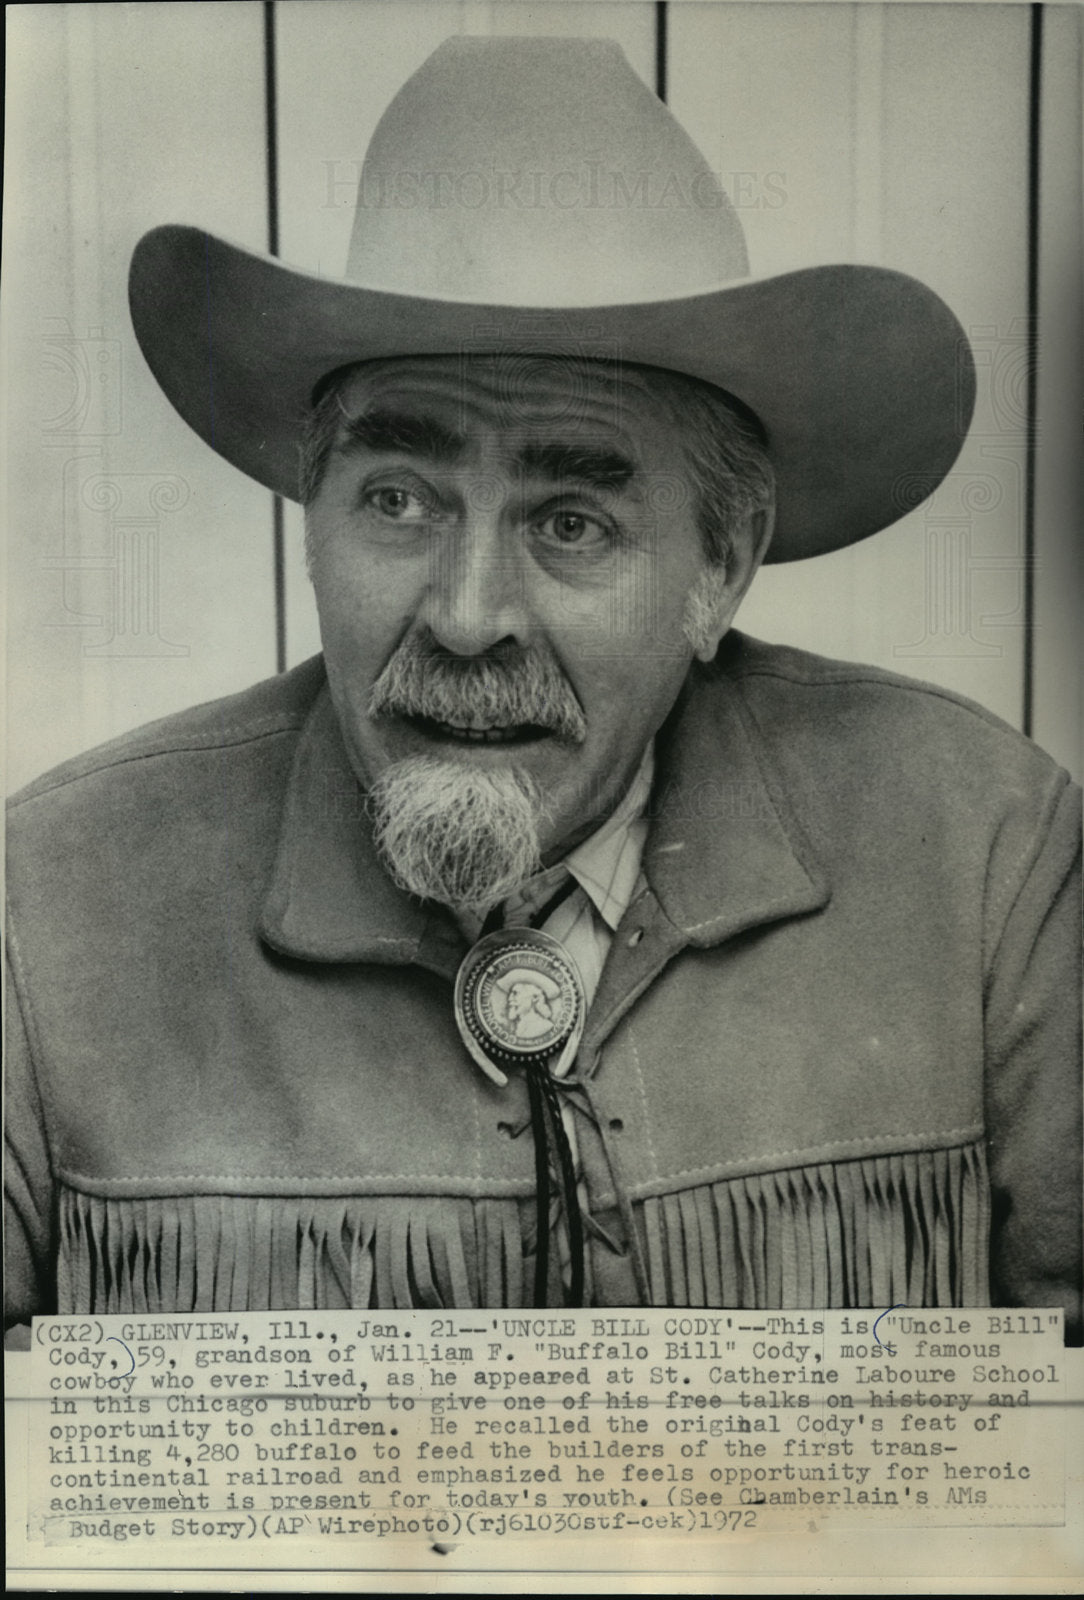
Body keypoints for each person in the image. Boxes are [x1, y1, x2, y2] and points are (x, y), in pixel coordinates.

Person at [5, 37, 1080, 1330]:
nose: (466, 619)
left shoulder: (977, 852)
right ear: (310, 513)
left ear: (722, 564)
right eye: (397, 500)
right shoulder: (55, 906)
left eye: (570, 521)